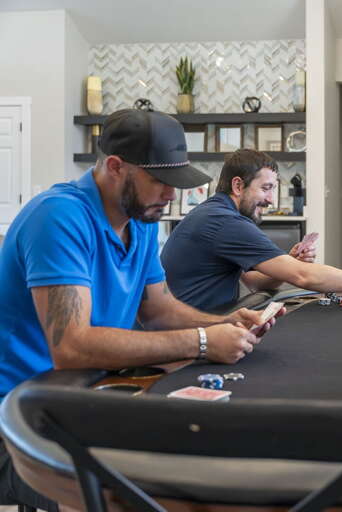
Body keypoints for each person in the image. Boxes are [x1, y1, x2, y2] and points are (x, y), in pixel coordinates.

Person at [0, 110, 282, 510]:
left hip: (90, 394)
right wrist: (203, 341)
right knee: (144, 493)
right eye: (161, 181)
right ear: (116, 167)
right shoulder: (58, 217)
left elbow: (159, 309)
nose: (172, 195)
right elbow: (72, 347)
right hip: (19, 420)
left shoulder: (142, 218)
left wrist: (226, 322)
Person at [161, 149, 342, 312]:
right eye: (265, 188)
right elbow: (304, 277)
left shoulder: (215, 213)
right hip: (187, 335)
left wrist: (287, 262)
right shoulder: (225, 222)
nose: (270, 200)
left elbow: (255, 282)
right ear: (238, 185)